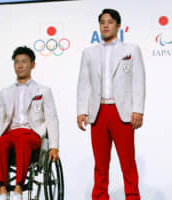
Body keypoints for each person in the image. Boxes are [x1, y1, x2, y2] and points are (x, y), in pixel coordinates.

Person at [77, 9, 145, 200]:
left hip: (121, 111)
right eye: (102, 22)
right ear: (99, 26)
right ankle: (99, 196)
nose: (106, 25)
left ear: (118, 26)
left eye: (110, 22)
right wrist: (82, 111)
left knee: (128, 162)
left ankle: (132, 196)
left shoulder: (131, 50)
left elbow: (138, 81)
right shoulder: (89, 53)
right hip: (98, 112)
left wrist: (137, 110)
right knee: (100, 162)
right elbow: (84, 84)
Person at [0, 46, 59, 200]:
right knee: (0, 143)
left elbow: (52, 118)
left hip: (31, 133)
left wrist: (54, 146)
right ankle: (2, 190)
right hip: (11, 132)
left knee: (23, 140)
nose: (20, 65)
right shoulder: (4, 92)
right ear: (13, 65)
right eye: (17, 62)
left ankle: (18, 189)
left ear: (32, 65)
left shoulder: (43, 90)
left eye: (24, 62)